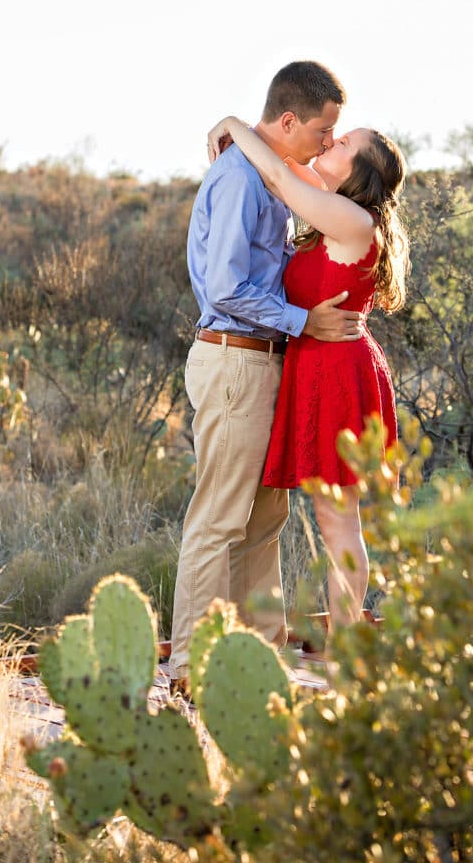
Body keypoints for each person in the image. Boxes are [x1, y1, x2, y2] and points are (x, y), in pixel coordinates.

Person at [170, 62, 365, 690]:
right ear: (289, 121)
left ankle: (260, 658)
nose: (325, 144)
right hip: (236, 358)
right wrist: (302, 320)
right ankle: (190, 668)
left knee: (264, 522)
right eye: (321, 131)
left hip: (266, 361)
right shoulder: (240, 181)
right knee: (220, 521)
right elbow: (227, 287)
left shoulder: (268, 177)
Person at [206, 116, 410, 643]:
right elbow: (282, 166)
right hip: (315, 365)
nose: (330, 143)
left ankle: (347, 651)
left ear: (359, 172)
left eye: (342, 143)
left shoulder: (354, 221)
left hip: (338, 372)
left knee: (338, 521)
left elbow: (277, 173)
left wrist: (232, 123)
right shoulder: (333, 207)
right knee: (331, 517)